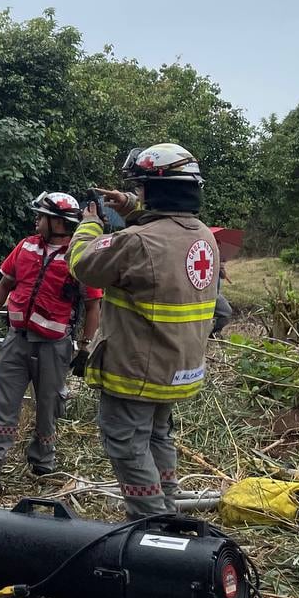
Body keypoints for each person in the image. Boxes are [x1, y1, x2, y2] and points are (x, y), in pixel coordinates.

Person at [67, 143, 219, 520]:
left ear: (156, 188)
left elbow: (82, 264)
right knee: (157, 435)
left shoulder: (135, 242)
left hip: (137, 370)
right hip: (176, 367)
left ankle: (151, 521)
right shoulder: (203, 236)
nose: (137, 194)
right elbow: (163, 224)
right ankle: (168, 505)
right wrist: (130, 206)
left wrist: (89, 224)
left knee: (126, 443)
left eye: (140, 187)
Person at [0, 193, 102, 497]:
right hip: (17, 341)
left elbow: (93, 306)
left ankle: (42, 464)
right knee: (3, 405)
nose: (36, 221)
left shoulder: (78, 257)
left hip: (55, 345)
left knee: (48, 407)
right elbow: (4, 285)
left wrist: (85, 348)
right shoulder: (25, 247)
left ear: (57, 222)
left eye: (41, 216)